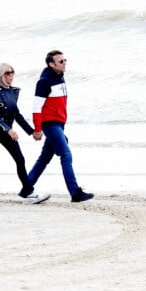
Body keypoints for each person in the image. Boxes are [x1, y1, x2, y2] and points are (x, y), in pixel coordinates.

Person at [0, 63, 50, 206]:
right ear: (1, 74)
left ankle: (28, 192)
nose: (11, 75)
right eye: (8, 73)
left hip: (7, 133)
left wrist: (33, 131)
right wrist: (9, 129)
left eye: (13, 73)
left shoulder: (12, 91)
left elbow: (17, 115)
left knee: (20, 159)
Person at [28, 50, 94, 203]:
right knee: (66, 155)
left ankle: (27, 186)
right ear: (52, 64)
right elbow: (36, 107)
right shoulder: (44, 82)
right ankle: (75, 192)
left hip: (59, 124)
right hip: (50, 124)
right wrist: (37, 129)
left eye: (65, 60)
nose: (65, 64)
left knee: (44, 158)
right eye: (61, 61)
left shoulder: (60, 77)